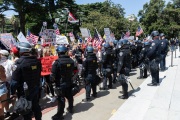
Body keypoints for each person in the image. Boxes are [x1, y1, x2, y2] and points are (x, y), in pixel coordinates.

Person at [10, 42, 42, 120]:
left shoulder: (19, 63)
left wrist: (12, 92)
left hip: (24, 92)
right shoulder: (36, 61)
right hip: (35, 88)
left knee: (26, 111)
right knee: (36, 107)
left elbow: (14, 82)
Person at [51, 45, 74, 120]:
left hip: (60, 84)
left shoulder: (56, 62)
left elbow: (52, 76)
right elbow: (74, 71)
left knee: (61, 99)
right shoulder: (71, 61)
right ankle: (71, 108)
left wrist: (52, 81)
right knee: (70, 96)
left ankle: (60, 115)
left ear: (58, 53)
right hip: (69, 81)